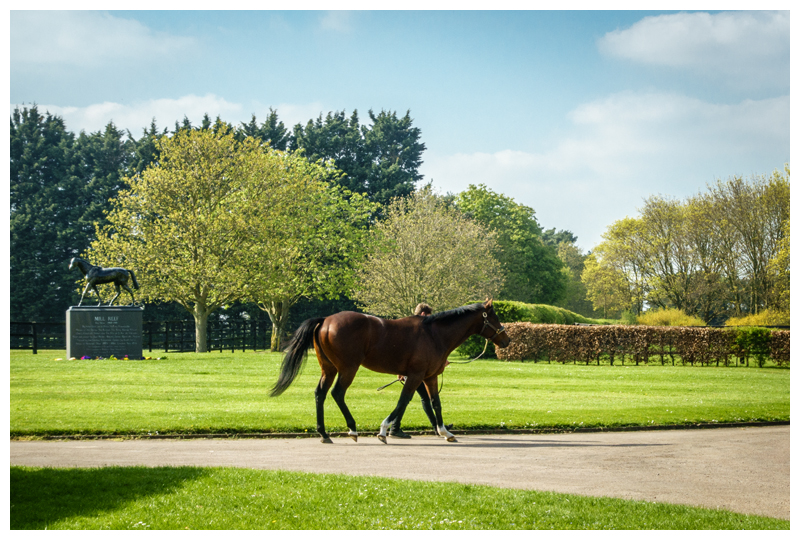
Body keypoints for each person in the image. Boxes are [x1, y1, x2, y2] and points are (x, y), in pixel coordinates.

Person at [388, 303, 453, 439]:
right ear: (423, 315)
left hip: (413, 370)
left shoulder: (413, 328)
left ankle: (437, 426)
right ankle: (395, 428)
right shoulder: (415, 329)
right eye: (428, 317)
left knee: (421, 398)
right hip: (414, 372)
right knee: (419, 398)